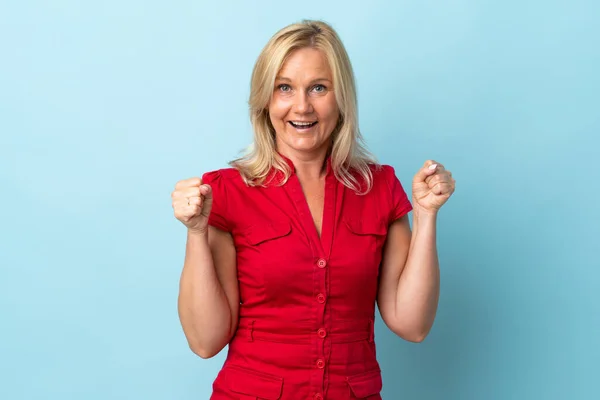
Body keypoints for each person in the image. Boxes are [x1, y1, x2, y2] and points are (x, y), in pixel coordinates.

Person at [172, 19, 455, 400]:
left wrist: (425, 215)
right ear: (265, 100)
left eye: (318, 88)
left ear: (341, 99)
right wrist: (196, 232)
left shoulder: (379, 188)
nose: (301, 106)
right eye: (284, 88)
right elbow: (205, 341)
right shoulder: (227, 192)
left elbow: (412, 324)